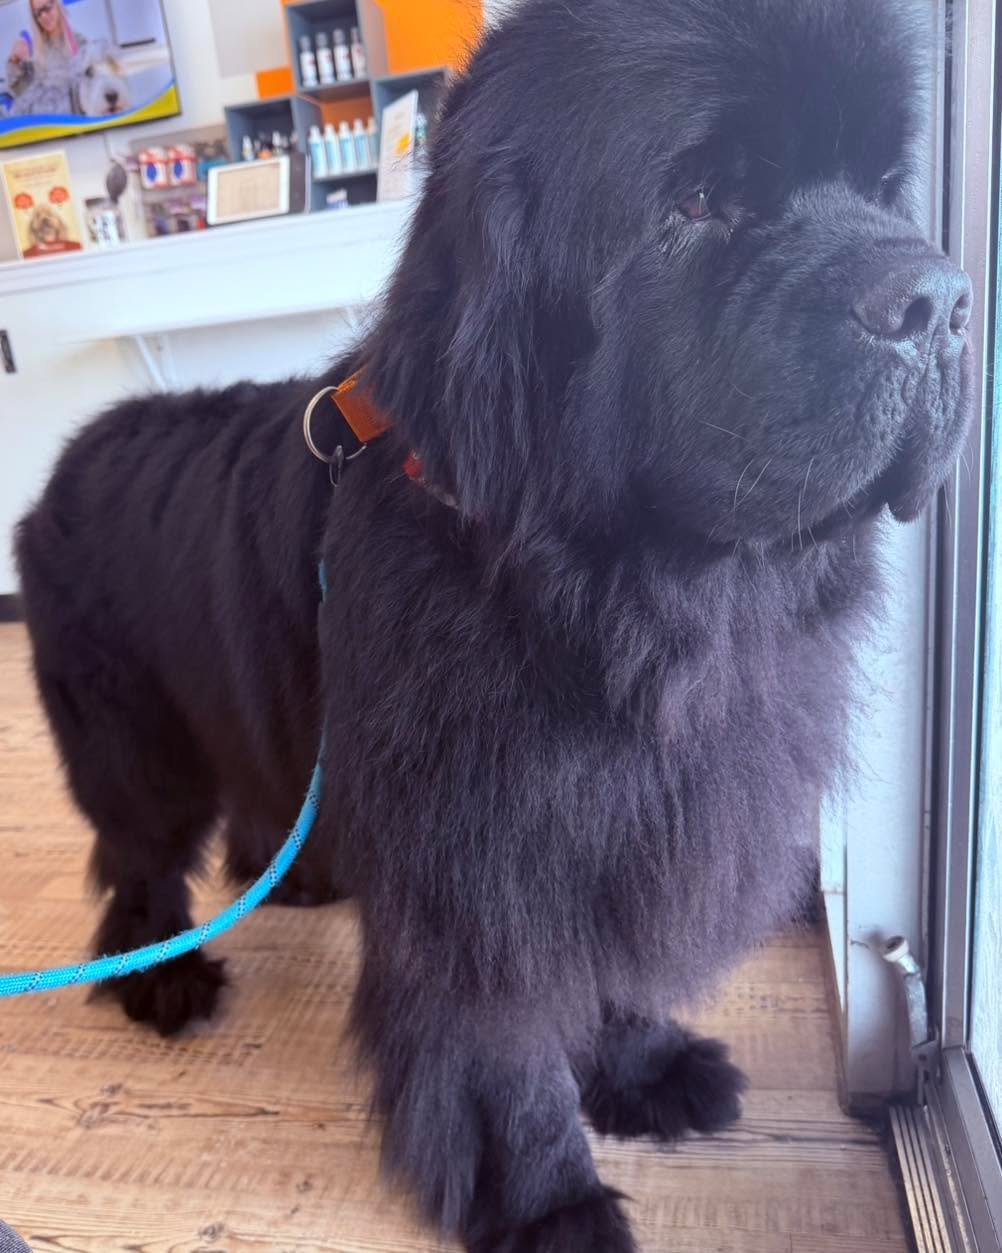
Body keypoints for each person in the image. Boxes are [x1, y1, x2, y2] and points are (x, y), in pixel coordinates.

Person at [6, 0, 81, 114]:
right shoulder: (33, 51)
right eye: (38, 13)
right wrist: (14, 61)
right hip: (45, 121)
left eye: (47, 8)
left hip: (75, 119)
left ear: (57, 4)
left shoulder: (79, 43)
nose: (43, 16)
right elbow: (18, 91)